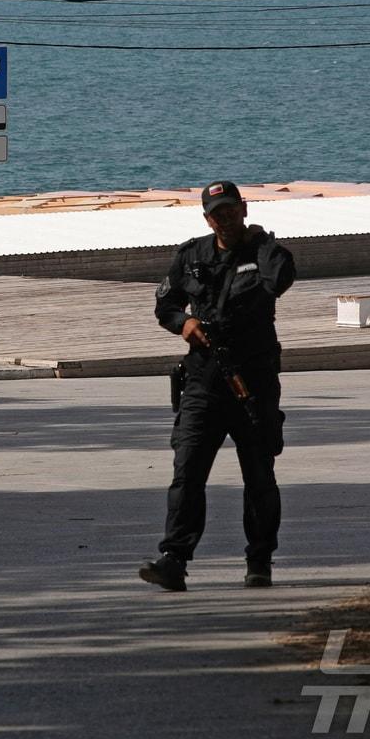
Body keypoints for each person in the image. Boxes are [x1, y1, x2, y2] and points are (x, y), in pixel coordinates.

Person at [139, 181, 296, 591]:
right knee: (187, 471)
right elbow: (165, 303)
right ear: (207, 218)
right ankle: (174, 558)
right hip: (204, 379)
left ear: (243, 209)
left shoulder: (265, 253)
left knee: (259, 475)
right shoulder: (193, 256)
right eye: (217, 214)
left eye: (231, 211)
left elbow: (280, 279)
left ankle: (259, 560)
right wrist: (184, 323)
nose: (225, 220)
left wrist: (261, 243)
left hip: (252, 380)